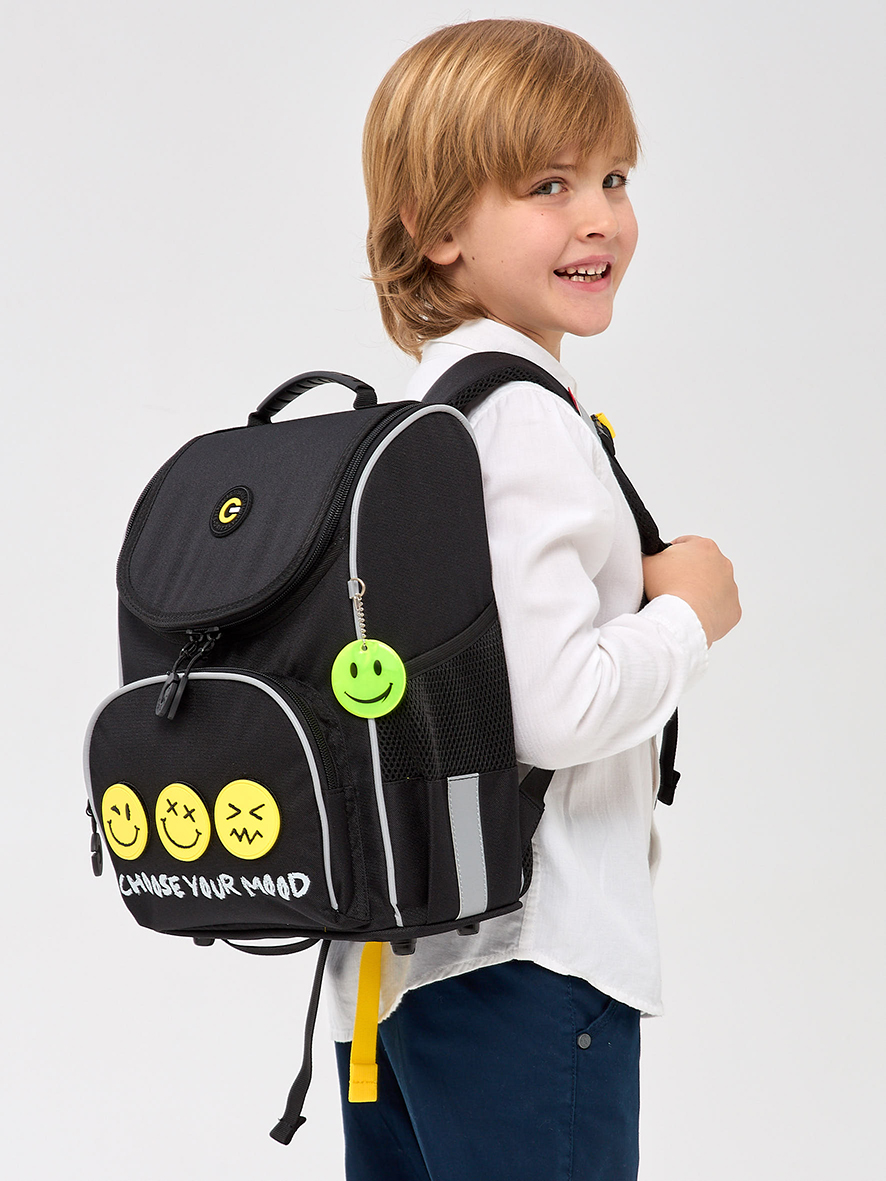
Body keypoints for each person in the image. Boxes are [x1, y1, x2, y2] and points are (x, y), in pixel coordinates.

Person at [326, 18, 741, 1181]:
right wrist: (688, 614)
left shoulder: (420, 419)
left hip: (393, 974)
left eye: (613, 178)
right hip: (530, 963)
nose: (598, 216)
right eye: (548, 185)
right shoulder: (524, 420)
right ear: (437, 228)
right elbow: (554, 710)